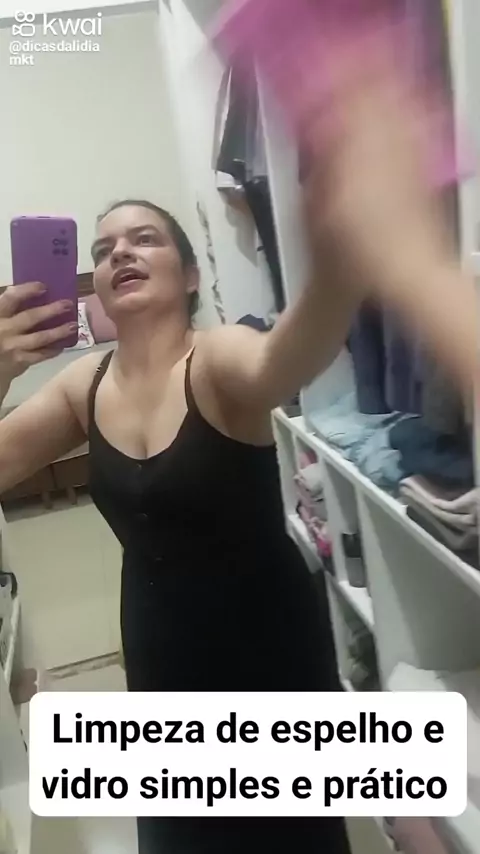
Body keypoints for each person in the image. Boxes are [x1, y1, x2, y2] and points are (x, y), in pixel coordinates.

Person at [0, 53, 476, 854]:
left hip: (268, 643)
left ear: (190, 276)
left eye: (144, 239)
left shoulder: (216, 357)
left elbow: (287, 359)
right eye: (105, 247)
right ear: (96, 289)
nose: (120, 253)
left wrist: (336, 261)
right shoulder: (85, 386)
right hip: (158, 642)